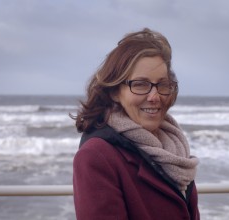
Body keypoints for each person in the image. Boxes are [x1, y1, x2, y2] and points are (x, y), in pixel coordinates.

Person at [71, 28, 200, 220]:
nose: (154, 96)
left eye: (162, 84)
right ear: (115, 91)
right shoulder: (96, 156)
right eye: (140, 84)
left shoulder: (174, 149)